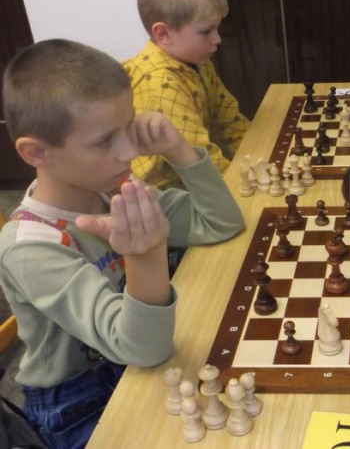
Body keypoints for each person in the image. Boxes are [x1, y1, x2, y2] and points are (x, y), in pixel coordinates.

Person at [0, 39, 245, 448]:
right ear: (35, 152)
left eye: (129, 126)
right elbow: (141, 348)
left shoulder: (110, 190)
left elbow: (220, 223)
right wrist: (146, 257)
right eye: (104, 140)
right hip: (77, 402)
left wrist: (178, 149)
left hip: (140, 356)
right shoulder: (30, 248)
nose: (130, 150)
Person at [124, 0, 250, 190]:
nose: (217, 39)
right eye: (206, 31)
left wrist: (262, 155)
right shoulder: (161, 83)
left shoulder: (198, 61)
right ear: (163, 33)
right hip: (167, 193)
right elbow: (199, 157)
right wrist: (245, 186)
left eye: (217, 28)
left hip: (196, 180)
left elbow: (228, 118)